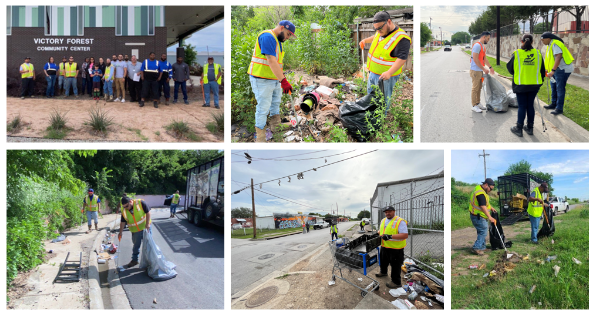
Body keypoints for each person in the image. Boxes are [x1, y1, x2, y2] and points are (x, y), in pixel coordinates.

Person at [247, 20, 297, 142]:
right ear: (281, 28)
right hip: (261, 79)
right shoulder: (267, 37)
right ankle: (261, 138)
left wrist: (281, 79)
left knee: (275, 104)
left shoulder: (277, 41)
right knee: (263, 108)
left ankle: (276, 128)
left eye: (290, 35)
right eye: (288, 34)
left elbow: (277, 64)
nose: (288, 38)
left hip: (274, 79)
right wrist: (284, 81)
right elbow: (271, 61)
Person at [359, 11, 411, 115]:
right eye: (376, 29)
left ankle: (380, 120)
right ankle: (371, 116)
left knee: (383, 99)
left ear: (389, 21)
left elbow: (402, 58)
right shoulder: (381, 31)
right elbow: (375, 37)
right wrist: (365, 40)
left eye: (380, 28)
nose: (378, 31)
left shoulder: (402, 38)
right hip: (373, 72)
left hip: (386, 77)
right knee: (371, 96)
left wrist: (389, 73)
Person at [507, 34, 546, 137]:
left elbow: (510, 69)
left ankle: (519, 129)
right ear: (532, 41)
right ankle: (530, 128)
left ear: (521, 41)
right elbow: (542, 70)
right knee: (530, 105)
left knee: (522, 106)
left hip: (521, 84)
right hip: (534, 85)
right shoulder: (538, 53)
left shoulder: (517, 54)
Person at [541, 32, 575, 116]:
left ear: (548, 38)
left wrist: (552, 70)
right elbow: (550, 59)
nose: (542, 41)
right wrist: (548, 71)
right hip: (556, 70)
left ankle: (559, 108)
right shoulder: (550, 44)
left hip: (562, 69)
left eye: (543, 39)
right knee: (553, 86)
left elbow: (558, 57)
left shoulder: (555, 44)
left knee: (559, 88)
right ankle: (553, 104)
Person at [375, 206, 409, 288]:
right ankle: (383, 272)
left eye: (389, 211)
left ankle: (396, 282)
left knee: (395, 265)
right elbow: (382, 230)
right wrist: (378, 233)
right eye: (386, 212)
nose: (387, 213)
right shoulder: (383, 220)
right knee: (383, 261)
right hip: (384, 246)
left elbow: (405, 235)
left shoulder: (400, 221)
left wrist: (390, 236)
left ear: (394, 211)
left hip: (396, 249)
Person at [118, 196, 151, 268]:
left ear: (130, 201)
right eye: (124, 207)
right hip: (135, 231)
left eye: (127, 206)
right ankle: (135, 260)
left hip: (145, 228)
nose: (126, 208)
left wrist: (148, 224)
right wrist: (120, 232)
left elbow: (148, 212)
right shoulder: (124, 210)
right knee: (136, 246)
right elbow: (123, 222)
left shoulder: (140, 203)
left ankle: (150, 261)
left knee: (148, 245)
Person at [468, 178, 498, 255]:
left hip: (480, 215)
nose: (490, 191)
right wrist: (490, 217)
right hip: (478, 216)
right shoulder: (480, 193)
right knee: (483, 231)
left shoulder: (481, 190)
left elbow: (485, 203)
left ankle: (482, 247)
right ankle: (477, 248)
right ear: (486, 185)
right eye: (490, 189)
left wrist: (491, 207)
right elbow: (482, 206)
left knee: (482, 231)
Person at [469, 31, 495, 113]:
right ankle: (474, 105)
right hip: (475, 70)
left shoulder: (482, 46)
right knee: (475, 88)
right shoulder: (477, 46)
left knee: (479, 88)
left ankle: (478, 103)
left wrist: (490, 67)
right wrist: (484, 69)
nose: (488, 40)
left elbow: (484, 59)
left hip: (479, 70)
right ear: (484, 37)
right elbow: (475, 59)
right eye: (488, 38)